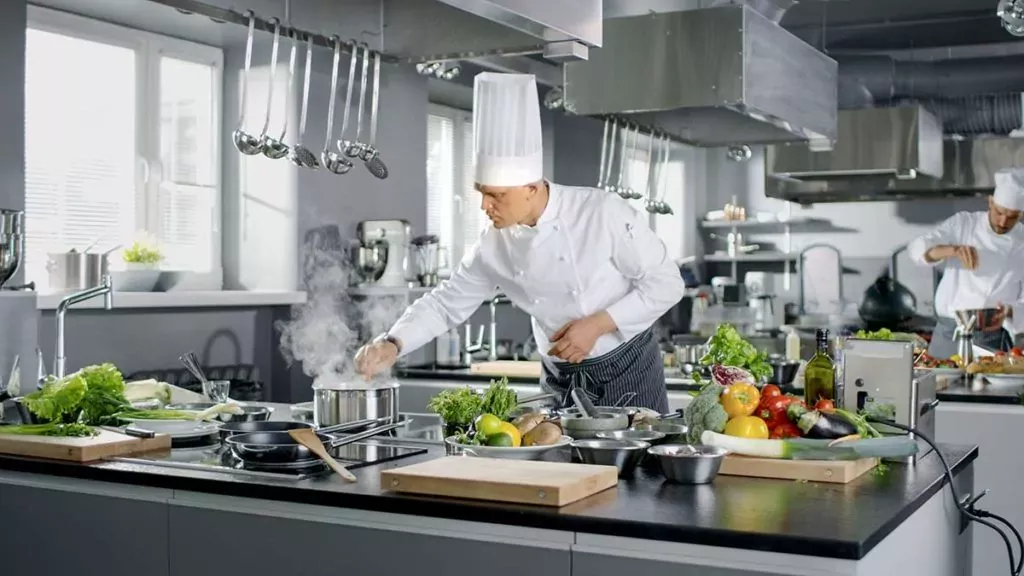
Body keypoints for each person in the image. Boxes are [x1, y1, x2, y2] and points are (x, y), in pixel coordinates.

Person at [354, 72, 685, 412]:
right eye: (481, 194)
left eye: (496, 195)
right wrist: (392, 343)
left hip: (626, 368)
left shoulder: (600, 212)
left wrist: (597, 325)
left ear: (532, 188)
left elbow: (667, 284)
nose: (485, 206)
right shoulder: (492, 244)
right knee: (559, 466)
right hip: (560, 376)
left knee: (637, 466)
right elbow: (445, 303)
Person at [907, 167, 1024, 358]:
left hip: (992, 338)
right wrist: (953, 250)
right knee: (937, 386)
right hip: (948, 334)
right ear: (990, 202)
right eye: (999, 212)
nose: (1003, 222)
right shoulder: (964, 224)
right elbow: (916, 249)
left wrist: (1011, 312)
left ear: (1021, 214)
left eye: (1012, 217)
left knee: (990, 388)